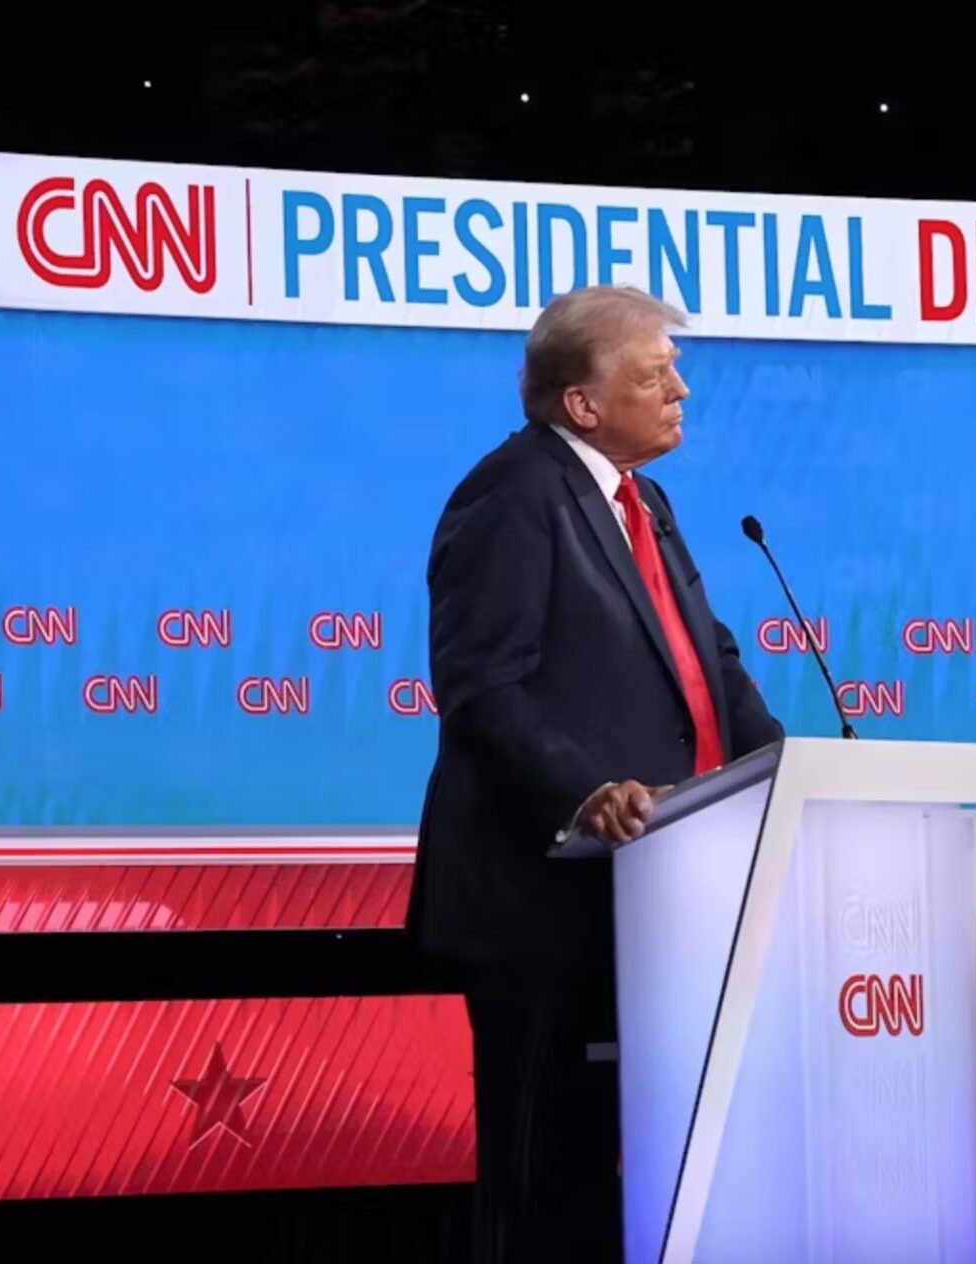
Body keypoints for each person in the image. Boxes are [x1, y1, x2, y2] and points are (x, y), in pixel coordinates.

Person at [407, 285, 785, 1261]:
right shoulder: (511, 494)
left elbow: (707, 659)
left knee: (630, 1173)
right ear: (582, 400)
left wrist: (789, 768)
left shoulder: (640, 499)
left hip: (652, 899)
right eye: (657, 374)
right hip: (544, 904)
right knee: (544, 1178)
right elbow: (481, 686)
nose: (682, 391)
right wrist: (585, 791)